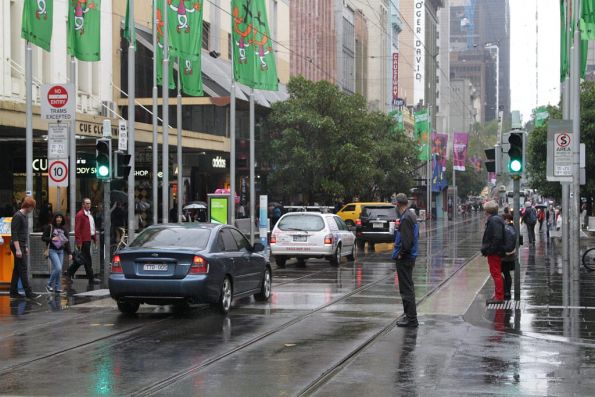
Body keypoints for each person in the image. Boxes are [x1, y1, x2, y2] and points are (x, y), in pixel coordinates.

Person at [391, 193, 419, 328]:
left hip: (405, 258)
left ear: (398, 204)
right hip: (409, 257)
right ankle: (409, 316)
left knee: (406, 289)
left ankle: (411, 319)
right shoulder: (410, 215)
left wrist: (401, 254)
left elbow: (407, 242)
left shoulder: (406, 218)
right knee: (408, 287)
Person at [9, 196, 41, 300]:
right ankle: (29, 293)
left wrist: (25, 246)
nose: (33, 209)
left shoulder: (24, 216)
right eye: (32, 207)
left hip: (21, 245)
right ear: (29, 206)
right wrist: (18, 249)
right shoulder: (18, 216)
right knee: (23, 269)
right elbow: (14, 234)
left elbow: (24, 233)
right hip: (17, 245)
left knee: (17, 270)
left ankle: (13, 292)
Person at [67, 198, 100, 284]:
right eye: (87, 203)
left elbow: (91, 228)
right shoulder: (80, 215)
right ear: (83, 204)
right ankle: (91, 278)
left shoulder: (89, 214)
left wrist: (94, 238)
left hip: (88, 239)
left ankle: (69, 273)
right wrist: (79, 242)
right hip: (83, 241)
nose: (88, 205)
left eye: (89, 203)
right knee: (86, 259)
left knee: (82, 259)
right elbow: (77, 230)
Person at [481, 200, 506, 305]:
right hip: (496, 251)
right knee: (496, 273)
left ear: (488, 211)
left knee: (496, 273)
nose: (484, 212)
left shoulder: (494, 220)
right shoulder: (496, 219)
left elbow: (497, 237)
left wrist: (490, 250)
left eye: (485, 210)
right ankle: (498, 294)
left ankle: (499, 297)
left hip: (495, 252)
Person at [42, 213, 72, 294]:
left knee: (59, 270)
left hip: (61, 251)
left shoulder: (64, 229)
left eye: (60, 217)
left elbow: (67, 242)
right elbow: (43, 238)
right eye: (57, 217)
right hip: (52, 250)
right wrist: (51, 239)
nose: (59, 219)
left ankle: (57, 287)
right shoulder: (50, 227)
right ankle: (48, 285)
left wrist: (69, 253)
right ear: (54, 218)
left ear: (62, 219)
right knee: (58, 268)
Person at [500, 213, 516, 300]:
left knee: (498, 273)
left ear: (506, 220)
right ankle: (508, 291)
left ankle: (505, 290)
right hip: (511, 254)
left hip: (504, 255)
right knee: (507, 273)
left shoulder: (505, 229)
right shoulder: (513, 227)